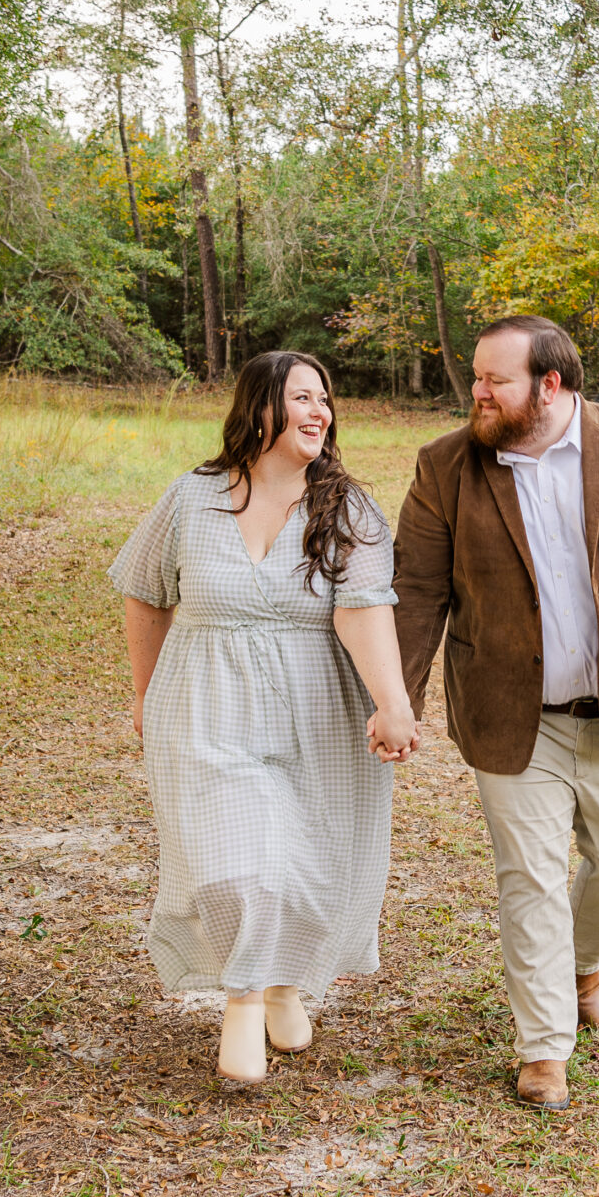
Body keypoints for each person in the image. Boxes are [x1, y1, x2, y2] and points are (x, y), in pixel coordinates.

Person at [394, 316, 599, 1112]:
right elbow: (417, 593)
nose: (477, 391)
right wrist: (394, 699)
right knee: (530, 876)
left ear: (551, 385)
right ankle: (543, 1046)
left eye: (494, 380)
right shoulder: (445, 468)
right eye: (476, 376)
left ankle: (582, 961)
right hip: (511, 714)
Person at [110, 352, 421, 1089]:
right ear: (260, 410)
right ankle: (243, 1003)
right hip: (206, 706)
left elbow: (364, 610)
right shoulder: (191, 498)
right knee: (230, 862)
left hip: (314, 710)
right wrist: (144, 691)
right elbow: (144, 593)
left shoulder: (345, 507)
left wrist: (392, 701)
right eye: (303, 397)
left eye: (326, 400)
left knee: (300, 860)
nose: (321, 412)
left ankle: (284, 983)